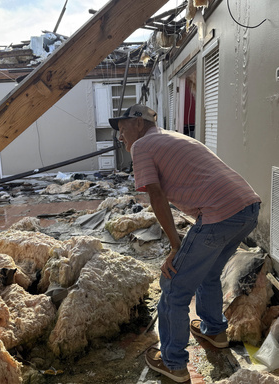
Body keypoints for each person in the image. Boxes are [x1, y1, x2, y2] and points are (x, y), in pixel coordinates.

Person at [109, 104, 261, 383]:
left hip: (219, 213)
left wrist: (176, 245)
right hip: (248, 208)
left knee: (174, 287)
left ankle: (173, 363)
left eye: (123, 129)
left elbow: (156, 196)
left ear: (139, 123)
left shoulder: (142, 145)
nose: (121, 137)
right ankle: (214, 331)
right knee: (209, 272)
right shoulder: (174, 137)